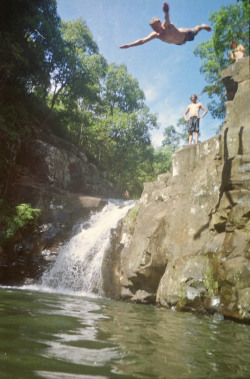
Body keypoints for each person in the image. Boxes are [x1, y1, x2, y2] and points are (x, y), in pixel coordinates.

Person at [120, 2, 211, 49]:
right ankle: (201, 27)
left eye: (155, 27)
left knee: (196, 30)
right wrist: (129, 45)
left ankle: (202, 26)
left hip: (185, 34)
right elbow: (142, 41)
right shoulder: (156, 35)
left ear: (159, 23)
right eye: (153, 28)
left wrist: (166, 11)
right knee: (191, 36)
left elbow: (167, 18)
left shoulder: (167, 25)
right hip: (180, 43)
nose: (155, 30)